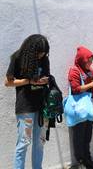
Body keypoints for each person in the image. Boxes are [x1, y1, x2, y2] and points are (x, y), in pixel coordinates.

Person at [5, 34, 50, 169]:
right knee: (23, 143)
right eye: (39, 53)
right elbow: (8, 82)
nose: (41, 56)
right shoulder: (17, 57)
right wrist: (29, 81)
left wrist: (45, 80)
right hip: (25, 107)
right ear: (32, 50)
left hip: (42, 107)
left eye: (44, 53)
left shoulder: (44, 59)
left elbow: (47, 76)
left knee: (39, 143)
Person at [68, 46, 93, 169]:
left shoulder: (89, 70)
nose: (90, 63)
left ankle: (88, 160)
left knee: (87, 135)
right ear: (82, 59)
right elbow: (75, 89)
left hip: (88, 107)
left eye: (91, 61)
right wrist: (92, 83)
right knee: (79, 135)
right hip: (79, 108)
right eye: (88, 61)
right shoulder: (75, 70)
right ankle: (80, 161)